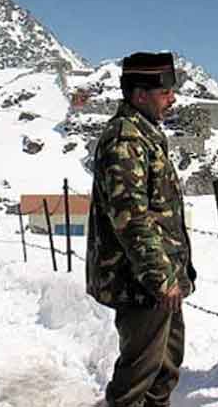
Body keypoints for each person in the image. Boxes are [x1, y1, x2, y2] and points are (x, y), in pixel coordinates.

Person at [86, 51, 196, 407]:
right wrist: (160, 276)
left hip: (158, 278)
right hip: (142, 280)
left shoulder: (145, 134)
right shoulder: (126, 140)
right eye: (165, 92)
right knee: (137, 376)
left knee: (164, 369)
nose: (172, 98)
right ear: (139, 95)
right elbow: (131, 218)